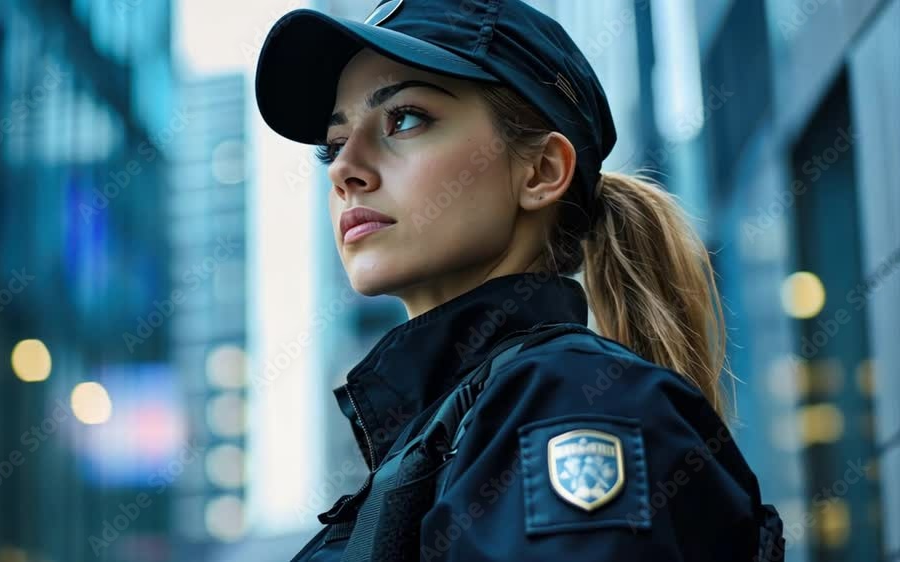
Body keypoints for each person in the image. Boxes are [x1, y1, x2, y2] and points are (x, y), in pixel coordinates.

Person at [254, 0, 786, 560]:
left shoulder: (570, 403)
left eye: (404, 118)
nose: (344, 170)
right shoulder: (459, 431)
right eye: (334, 145)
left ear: (541, 171)